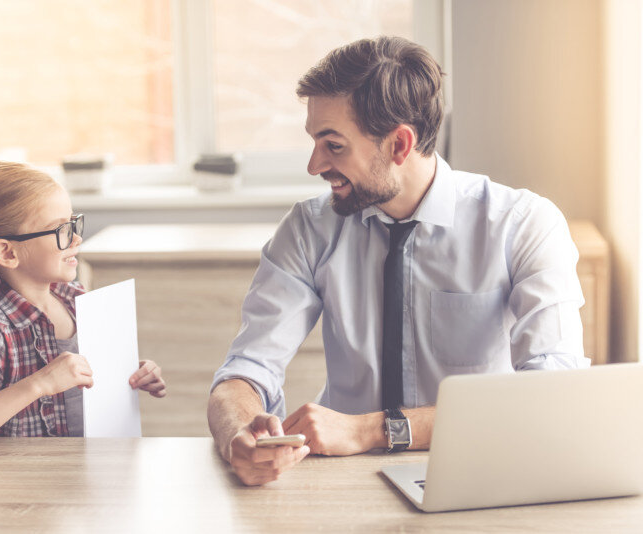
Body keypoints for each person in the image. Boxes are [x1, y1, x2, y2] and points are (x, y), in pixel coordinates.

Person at [208, 36, 589, 486]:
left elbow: (554, 394)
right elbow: (244, 372)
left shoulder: (522, 224)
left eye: (333, 145)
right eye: (314, 141)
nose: (314, 165)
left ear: (399, 145)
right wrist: (240, 434)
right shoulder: (309, 228)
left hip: (480, 471)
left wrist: (371, 429)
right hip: (342, 482)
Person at [0, 162, 166, 454]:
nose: (76, 239)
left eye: (73, 223)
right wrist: (40, 384)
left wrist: (132, 372)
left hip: (98, 477)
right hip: (32, 492)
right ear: (7, 252)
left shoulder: (80, 301)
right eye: (60, 230)